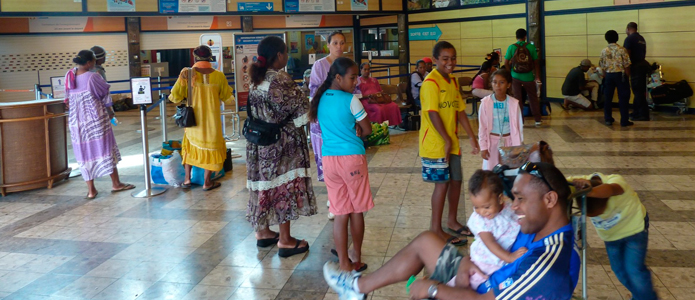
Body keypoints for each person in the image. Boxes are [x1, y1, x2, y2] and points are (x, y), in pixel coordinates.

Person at [323, 162, 579, 300]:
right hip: (484, 276)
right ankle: (356, 287)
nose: (515, 206)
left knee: (423, 291)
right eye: (515, 198)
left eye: (521, 199)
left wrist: (433, 289)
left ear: (550, 200)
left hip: (480, 292)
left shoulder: (546, 264)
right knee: (426, 242)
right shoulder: (542, 225)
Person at [244, 36, 317, 257]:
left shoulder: (256, 78)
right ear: (279, 56)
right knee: (283, 185)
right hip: (281, 143)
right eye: (285, 52)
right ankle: (285, 240)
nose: (287, 56)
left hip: (258, 143)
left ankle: (263, 232)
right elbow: (302, 111)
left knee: (263, 185)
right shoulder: (280, 79)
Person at [310, 57, 374, 273]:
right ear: (338, 77)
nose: (355, 81)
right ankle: (356, 256)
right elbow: (368, 130)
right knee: (356, 211)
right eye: (352, 77)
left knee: (340, 212)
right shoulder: (351, 100)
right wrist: (356, 128)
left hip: (329, 160)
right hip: (352, 159)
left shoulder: (320, 100)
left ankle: (344, 262)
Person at [420, 41, 480, 246]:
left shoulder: (452, 81)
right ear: (435, 59)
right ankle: (436, 230)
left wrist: (472, 136)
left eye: (453, 58)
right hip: (436, 144)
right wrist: (445, 139)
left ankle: (452, 220)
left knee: (456, 181)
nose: (450, 62)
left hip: (451, 143)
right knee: (442, 185)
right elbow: (432, 113)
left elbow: (460, 110)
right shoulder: (431, 82)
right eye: (445, 59)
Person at [568, 173, 657, 300]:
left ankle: (647, 298)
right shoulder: (582, 182)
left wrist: (591, 192)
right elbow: (560, 181)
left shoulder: (615, 180)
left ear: (606, 199)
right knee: (619, 270)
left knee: (634, 271)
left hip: (634, 231)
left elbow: (613, 189)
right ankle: (641, 296)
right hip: (611, 237)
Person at [64, 50, 135, 199]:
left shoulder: (69, 75)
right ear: (89, 62)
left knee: (83, 153)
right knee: (104, 148)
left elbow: (67, 98)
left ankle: (91, 190)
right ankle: (116, 184)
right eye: (94, 60)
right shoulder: (92, 77)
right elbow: (104, 94)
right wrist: (111, 112)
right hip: (95, 119)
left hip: (77, 122)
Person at [169, 45, 234, 190]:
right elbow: (227, 97)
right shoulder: (219, 76)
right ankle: (207, 182)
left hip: (192, 121)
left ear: (195, 57)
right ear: (210, 58)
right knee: (211, 149)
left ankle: (187, 180)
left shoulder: (186, 73)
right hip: (212, 122)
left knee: (190, 147)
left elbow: (175, 96)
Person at [465, 170, 526, 290]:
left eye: (486, 207)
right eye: (476, 207)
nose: (482, 212)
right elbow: (490, 243)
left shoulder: (508, 207)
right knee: (469, 287)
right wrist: (509, 257)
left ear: (500, 199)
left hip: (498, 262)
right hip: (483, 263)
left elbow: (519, 217)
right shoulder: (480, 220)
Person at [309, 31, 346, 221]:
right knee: (327, 162)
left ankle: (338, 197)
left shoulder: (347, 66)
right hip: (324, 121)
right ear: (328, 45)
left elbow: (355, 91)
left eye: (342, 43)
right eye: (335, 43)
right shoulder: (319, 66)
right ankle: (333, 199)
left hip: (342, 122)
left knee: (341, 160)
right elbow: (314, 92)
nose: (339, 46)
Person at [478, 69, 523, 171]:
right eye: (494, 82)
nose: (498, 85)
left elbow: (518, 127)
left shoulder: (514, 103)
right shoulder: (485, 103)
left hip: (509, 142)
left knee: (508, 171)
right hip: (492, 142)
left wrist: (517, 147)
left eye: (501, 82)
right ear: (491, 84)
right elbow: (482, 127)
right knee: (490, 172)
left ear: (508, 85)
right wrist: (483, 147)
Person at [505, 28, 542, 127]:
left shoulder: (511, 47)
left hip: (515, 76)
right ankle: (537, 120)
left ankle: (520, 121)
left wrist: (510, 74)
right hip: (529, 77)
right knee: (532, 98)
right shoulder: (530, 47)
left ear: (516, 37)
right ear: (525, 36)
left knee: (517, 99)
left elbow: (505, 63)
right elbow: (536, 63)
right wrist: (537, 76)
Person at [599, 30, 632, 127]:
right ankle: (624, 121)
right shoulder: (622, 50)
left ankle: (608, 119)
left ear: (606, 39)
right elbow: (627, 65)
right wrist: (627, 77)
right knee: (623, 98)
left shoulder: (604, 51)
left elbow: (602, 66)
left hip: (609, 75)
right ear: (617, 38)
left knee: (608, 98)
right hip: (620, 75)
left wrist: (606, 75)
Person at [624, 22, 650, 121]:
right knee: (639, 90)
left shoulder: (629, 39)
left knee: (637, 91)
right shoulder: (641, 38)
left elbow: (627, 56)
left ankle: (643, 114)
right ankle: (636, 112)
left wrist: (626, 69)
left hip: (636, 67)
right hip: (643, 65)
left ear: (627, 29)